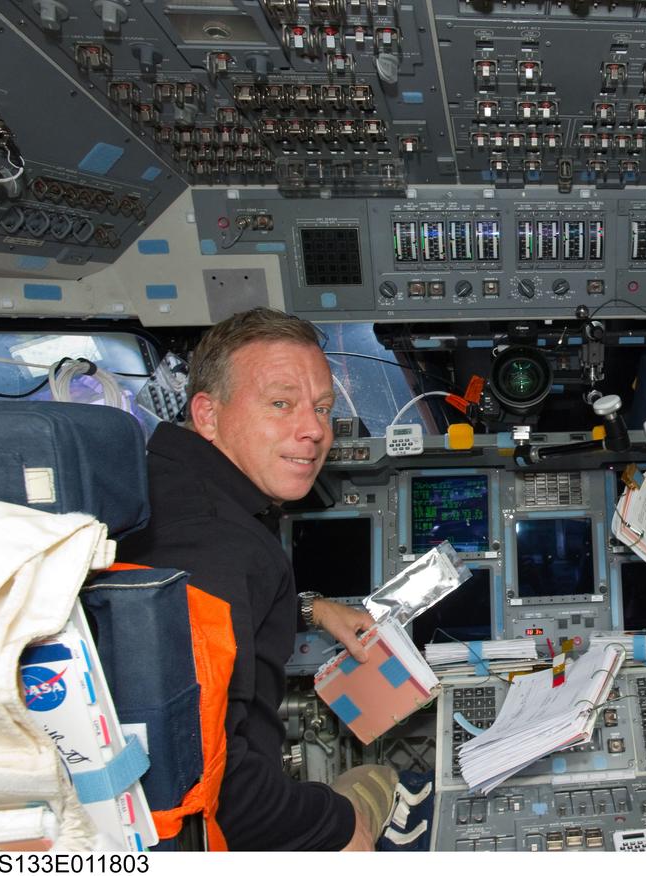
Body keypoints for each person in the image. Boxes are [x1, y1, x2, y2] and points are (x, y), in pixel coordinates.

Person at [119, 308, 394, 850]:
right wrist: (335, 824)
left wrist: (314, 609)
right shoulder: (218, 541)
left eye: (322, 408)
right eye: (280, 403)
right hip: (211, 834)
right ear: (208, 414)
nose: (315, 429)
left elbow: (196, 625)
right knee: (378, 784)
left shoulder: (161, 490)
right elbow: (226, 789)